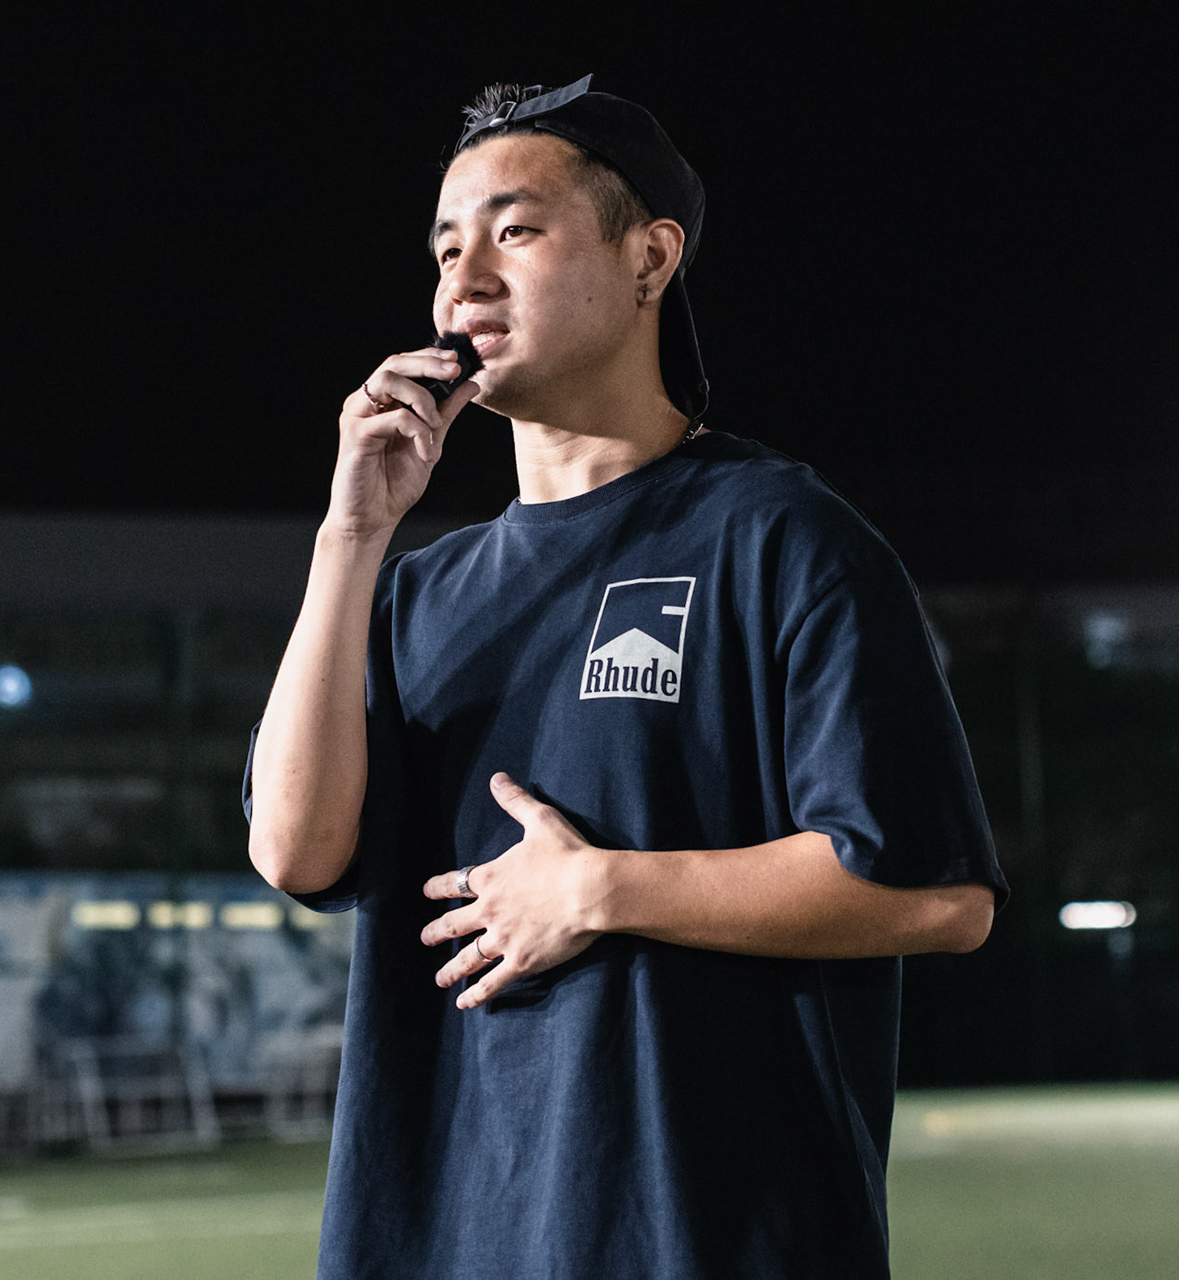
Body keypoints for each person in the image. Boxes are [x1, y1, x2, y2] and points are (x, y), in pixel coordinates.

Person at [246, 75, 1007, 1279]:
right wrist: (350, 539)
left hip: (704, 1239)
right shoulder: (414, 591)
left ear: (651, 257)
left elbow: (934, 893)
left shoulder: (778, 534)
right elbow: (297, 851)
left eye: (517, 230)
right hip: (442, 1237)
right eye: (447, 248)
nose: (466, 280)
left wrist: (603, 889)